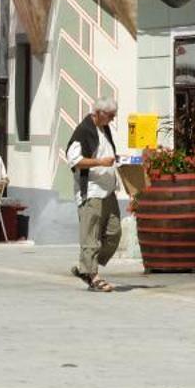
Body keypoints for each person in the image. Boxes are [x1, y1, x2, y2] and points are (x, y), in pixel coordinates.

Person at [66, 98, 123, 292]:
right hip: (91, 191)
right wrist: (100, 162)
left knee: (114, 233)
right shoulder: (83, 131)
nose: (113, 119)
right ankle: (92, 274)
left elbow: (106, 153)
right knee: (90, 235)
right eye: (110, 115)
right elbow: (74, 160)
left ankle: (87, 266)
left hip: (108, 191)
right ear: (98, 112)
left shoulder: (104, 128)